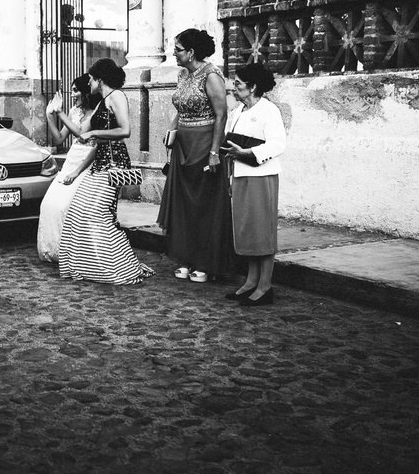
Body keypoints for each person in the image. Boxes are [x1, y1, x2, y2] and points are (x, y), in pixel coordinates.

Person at [57, 58, 155, 285]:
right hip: (99, 164)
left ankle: (115, 267)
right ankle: (91, 266)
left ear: (100, 79)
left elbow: (125, 130)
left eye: (91, 78)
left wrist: (95, 135)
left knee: (98, 215)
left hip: (114, 164)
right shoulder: (102, 103)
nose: (88, 82)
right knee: (77, 213)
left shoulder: (117, 96)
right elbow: (81, 133)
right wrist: (59, 113)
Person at [156, 28, 236, 283]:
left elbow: (221, 115)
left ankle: (205, 262)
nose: (174, 54)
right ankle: (186, 258)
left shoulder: (211, 75)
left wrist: (214, 152)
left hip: (204, 144)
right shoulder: (182, 75)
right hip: (183, 144)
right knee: (184, 206)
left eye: (178, 50)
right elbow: (180, 108)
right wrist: (171, 130)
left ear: (191, 52)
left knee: (204, 204)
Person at [220, 62, 286, 306]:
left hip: (261, 176)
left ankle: (265, 285)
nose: (234, 88)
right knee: (246, 229)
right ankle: (251, 280)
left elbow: (278, 144)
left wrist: (248, 152)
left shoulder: (269, 110)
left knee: (262, 230)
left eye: (238, 84)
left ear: (253, 86)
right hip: (240, 174)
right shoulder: (237, 112)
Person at [36, 75, 100, 262]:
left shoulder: (97, 111)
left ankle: (74, 253)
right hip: (72, 159)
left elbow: (83, 134)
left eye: (75, 90)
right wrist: (50, 115)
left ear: (86, 92)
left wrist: (60, 112)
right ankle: (54, 251)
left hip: (87, 162)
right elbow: (59, 139)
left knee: (68, 207)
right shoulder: (73, 111)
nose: (72, 94)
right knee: (49, 204)